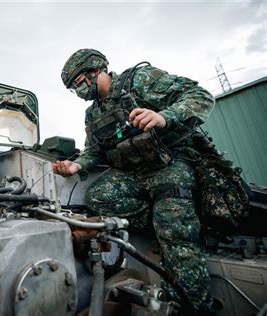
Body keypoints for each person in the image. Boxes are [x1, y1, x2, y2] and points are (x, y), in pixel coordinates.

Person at [53, 49, 215, 313]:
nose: (78, 91)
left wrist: (164, 117)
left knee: (176, 236)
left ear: (97, 71)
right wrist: (77, 165)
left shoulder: (138, 80)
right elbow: (95, 149)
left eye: (79, 82)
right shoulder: (93, 115)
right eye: (73, 88)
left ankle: (196, 307)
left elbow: (200, 97)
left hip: (169, 164)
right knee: (98, 197)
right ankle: (158, 220)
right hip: (133, 174)